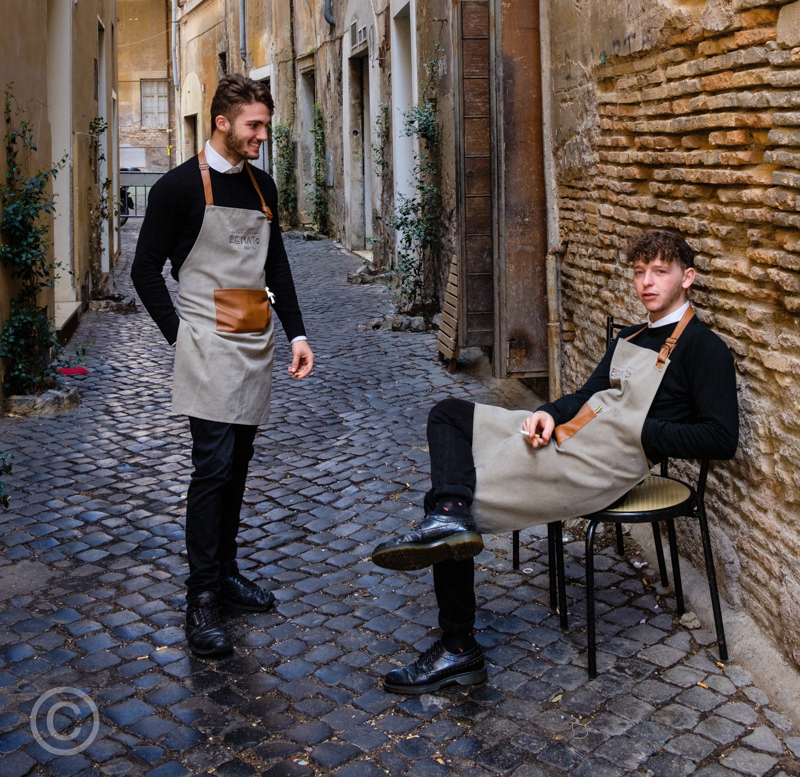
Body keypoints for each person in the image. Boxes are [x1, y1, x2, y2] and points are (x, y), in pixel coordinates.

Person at [371, 230, 738, 694]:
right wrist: (546, 413)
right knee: (448, 415)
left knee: (462, 508)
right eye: (640, 271)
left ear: (688, 278)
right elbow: (587, 396)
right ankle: (447, 515)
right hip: (573, 434)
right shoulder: (633, 335)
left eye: (659, 272)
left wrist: (642, 431)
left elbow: (721, 438)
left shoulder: (704, 349)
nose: (646, 282)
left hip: (602, 465)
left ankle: (458, 650)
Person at [131, 74, 314, 658]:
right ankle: (202, 595)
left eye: (265, 124)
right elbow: (145, 271)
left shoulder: (263, 187)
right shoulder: (177, 189)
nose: (263, 135)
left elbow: (276, 263)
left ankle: (228, 573)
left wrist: (298, 333)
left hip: (255, 341)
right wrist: (180, 336)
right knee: (211, 465)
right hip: (206, 345)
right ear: (222, 123)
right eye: (254, 125)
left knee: (237, 463)